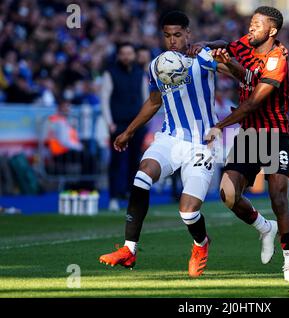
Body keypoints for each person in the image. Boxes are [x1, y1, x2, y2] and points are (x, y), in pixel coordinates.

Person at [99, 11, 242, 277]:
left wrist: (216, 51)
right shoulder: (157, 65)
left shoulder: (204, 57)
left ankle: (201, 244)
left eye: (177, 35)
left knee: (187, 213)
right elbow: (154, 101)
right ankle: (129, 250)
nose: (172, 40)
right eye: (167, 35)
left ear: (188, 33)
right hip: (170, 138)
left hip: (203, 144)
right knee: (141, 177)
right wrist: (129, 131)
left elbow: (240, 72)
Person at [197, 6, 289, 282]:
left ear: (273, 30)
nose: (251, 28)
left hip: (275, 133)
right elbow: (226, 46)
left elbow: (254, 102)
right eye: (251, 23)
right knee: (228, 194)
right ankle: (264, 227)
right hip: (250, 133)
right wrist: (206, 46)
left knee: (278, 198)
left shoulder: (277, 59)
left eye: (257, 24)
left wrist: (219, 126)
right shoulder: (246, 44)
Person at [101, 42, 149, 211]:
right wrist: (109, 122)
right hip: (118, 124)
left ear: (134, 55)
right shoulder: (110, 73)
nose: (127, 56)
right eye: (123, 53)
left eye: (130, 53)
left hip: (136, 124)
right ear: (119, 55)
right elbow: (104, 99)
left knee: (135, 161)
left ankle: (130, 193)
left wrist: (144, 120)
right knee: (116, 161)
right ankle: (114, 196)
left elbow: (146, 99)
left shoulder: (140, 73)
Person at [45, 97, 96, 190]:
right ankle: (85, 185)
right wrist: (80, 147)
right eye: (65, 107)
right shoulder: (58, 121)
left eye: (68, 107)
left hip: (65, 151)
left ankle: (86, 184)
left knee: (89, 157)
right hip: (60, 153)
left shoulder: (64, 121)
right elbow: (65, 141)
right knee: (88, 158)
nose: (67, 110)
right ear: (59, 108)